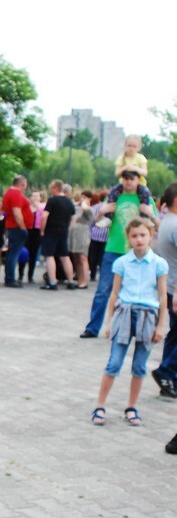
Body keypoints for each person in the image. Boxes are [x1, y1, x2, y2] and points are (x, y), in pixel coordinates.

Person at [90, 218, 167, 426]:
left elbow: (162, 297)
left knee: (140, 366)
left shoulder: (159, 264)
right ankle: (100, 405)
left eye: (143, 235)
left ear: (151, 235)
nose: (139, 239)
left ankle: (132, 407)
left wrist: (161, 325)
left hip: (148, 315)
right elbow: (114, 293)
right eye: (134, 236)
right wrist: (109, 322)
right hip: (124, 314)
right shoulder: (122, 263)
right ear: (128, 238)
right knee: (114, 362)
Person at [81, 170, 157, 338]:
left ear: (138, 180)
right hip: (113, 249)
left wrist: (150, 212)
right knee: (103, 290)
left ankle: (125, 328)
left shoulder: (145, 199)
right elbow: (95, 222)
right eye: (125, 179)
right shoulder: (115, 196)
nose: (128, 182)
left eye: (132, 179)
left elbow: (156, 225)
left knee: (132, 291)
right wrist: (102, 210)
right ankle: (93, 328)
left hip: (136, 254)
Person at [151, 183, 177, 400]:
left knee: (174, 334)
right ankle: (166, 372)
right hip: (176, 287)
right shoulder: (175, 224)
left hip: (169, 286)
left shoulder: (166, 222)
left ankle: (169, 379)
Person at [39, 180, 77, 291]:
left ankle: (52, 282)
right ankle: (70, 281)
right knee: (65, 256)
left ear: (55, 188)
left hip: (51, 231)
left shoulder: (52, 200)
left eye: (51, 187)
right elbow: (74, 217)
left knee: (49, 256)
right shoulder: (69, 201)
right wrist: (68, 227)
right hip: (63, 231)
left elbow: (44, 216)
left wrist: (42, 230)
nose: (50, 189)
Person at [1, 175, 33, 288]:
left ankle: (9, 277)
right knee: (14, 253)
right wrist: (23, 227)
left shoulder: (8, 193)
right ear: (22, 184)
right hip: (16, 227)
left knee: (12, 252)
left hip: (12, 226)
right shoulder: (15, 194)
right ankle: (10, 278)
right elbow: (16, 212)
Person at [69, 190, 93, 289]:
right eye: (81, 197)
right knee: (76, 258)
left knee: (83, 257)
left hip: (83, 234)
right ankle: (79, 279)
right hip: (74, 235)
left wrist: (84, 202)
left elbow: (85, 209)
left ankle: (85, 281)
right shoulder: (77, 208)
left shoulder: (89, 209)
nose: (82, 199)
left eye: (85, 197)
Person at [88, 190, 109, 281]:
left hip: (94, 234)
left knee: (93, 255)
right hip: (106, 235)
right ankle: (102, 274)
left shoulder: (94, 207)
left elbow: (91, 222)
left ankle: (92, 274)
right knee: (102, 256)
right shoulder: (109, 208)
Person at [24, 191, 45, 283]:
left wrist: (38, 207)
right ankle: (21, 273)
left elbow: (44, 218)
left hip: (37, 232)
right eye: (33, 196)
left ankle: (30, 275)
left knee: (33, 254)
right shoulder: (27, 208)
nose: (35, 198)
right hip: (28, 231)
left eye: (37, 196)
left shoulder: (43, 207)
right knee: (24, 253)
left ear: (40, 198)